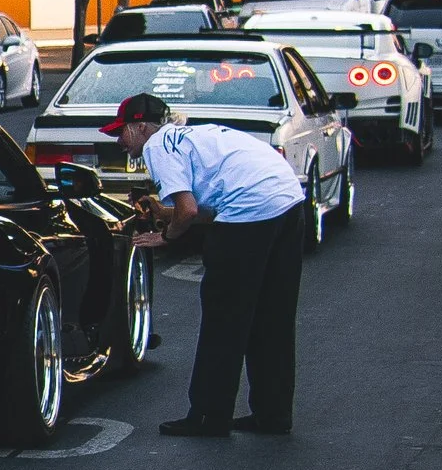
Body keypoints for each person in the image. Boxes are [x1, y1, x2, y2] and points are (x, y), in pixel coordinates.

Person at [114, 89, 308, 440]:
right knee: (272, 316)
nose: (119, 141)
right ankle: (273, 413)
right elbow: (210, 209)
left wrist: (167, 236)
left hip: (252, 210)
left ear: (141, 127)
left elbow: (188, 213)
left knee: (225, 317)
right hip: (288, 202)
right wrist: (167, 214)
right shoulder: (195, 134)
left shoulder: (158, 147)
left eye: (121, 131)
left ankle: (209, 415)